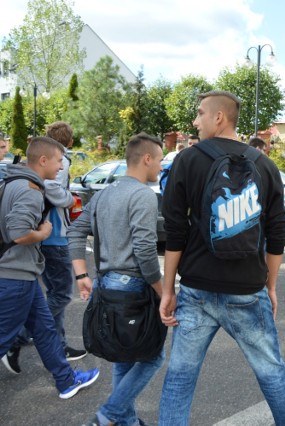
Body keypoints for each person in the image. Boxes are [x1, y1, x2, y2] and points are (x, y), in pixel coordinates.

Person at [158, 90, 285, 425]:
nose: (195, 121)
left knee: (180, 377)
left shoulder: (187, 160)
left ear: (219, 117)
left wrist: (168, 290)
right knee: (272, 373)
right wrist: (271, 286)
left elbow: (174, 231)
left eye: (199, 114)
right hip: (247, 289)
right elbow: (277, 233)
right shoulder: (265, 166)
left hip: (196, 290)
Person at [69, 133, 165, 426]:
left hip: (105, 283)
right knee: (151, 358)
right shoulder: (143, 195)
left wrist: (82, 275)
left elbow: (75, 231)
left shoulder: (104, 194)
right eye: (160, 160)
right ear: (146, 158)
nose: (161, 167)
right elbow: (146, 251)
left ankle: (127, 422)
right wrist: (163, 292)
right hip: (133, 287)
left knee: (125, 357)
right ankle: (108, 415)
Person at [0, 137, 100, 398]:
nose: (60, 167)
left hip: (22, 274)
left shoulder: (10, 182)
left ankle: (66, 381)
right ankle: (65, 379)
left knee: (45, 329)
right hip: (15, 276)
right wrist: (44, 232)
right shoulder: (30, 190)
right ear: (43, 160)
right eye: (58, 161)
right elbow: (20, 233)